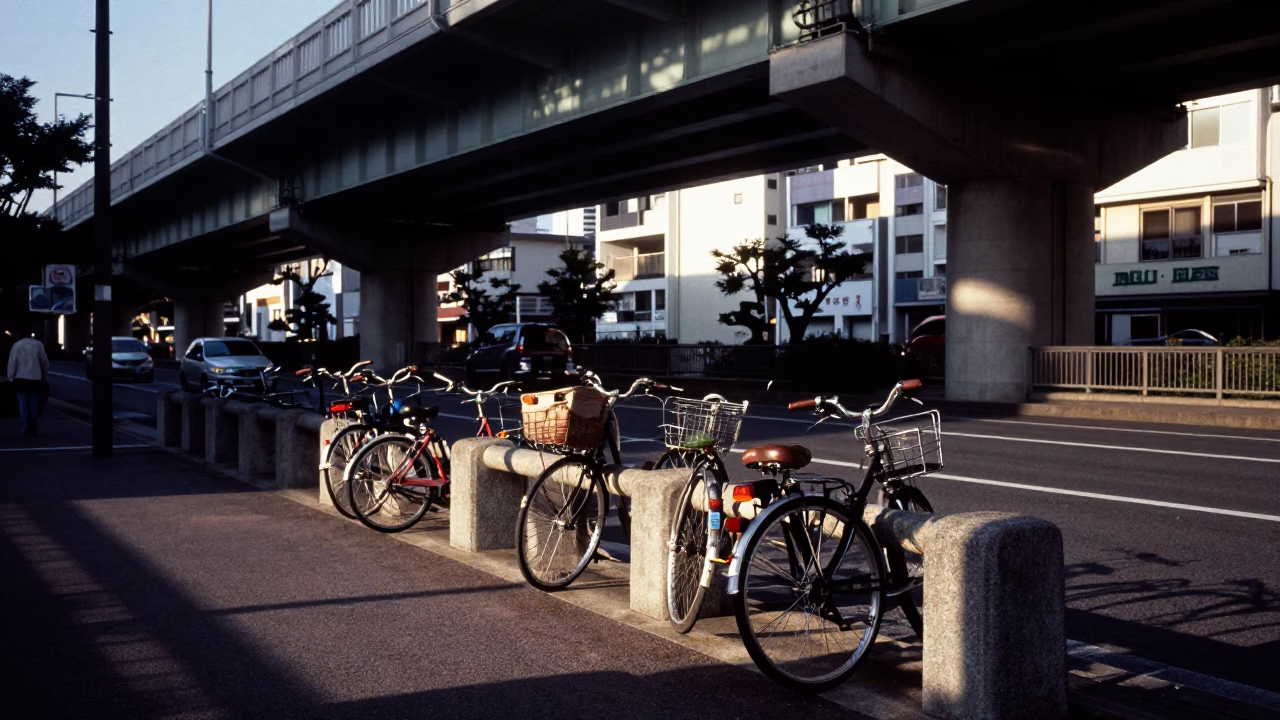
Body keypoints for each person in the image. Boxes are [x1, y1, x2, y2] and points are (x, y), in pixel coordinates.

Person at [6, 334, 49, 436]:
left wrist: (10, 377)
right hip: (35, 378)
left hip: (20, 377)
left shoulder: (16, 345)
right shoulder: (38, 345)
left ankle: (26, 426)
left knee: (23, 403)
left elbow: (12, 362)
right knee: (34, 402)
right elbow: (44, 361)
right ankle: (33, 424)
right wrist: (44, 373)